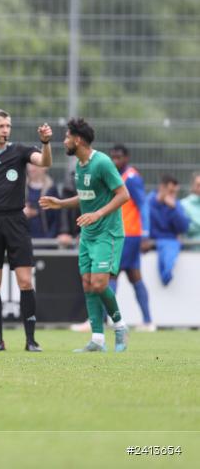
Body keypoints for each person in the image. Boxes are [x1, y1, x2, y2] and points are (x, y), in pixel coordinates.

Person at [40, 118, 130, 353]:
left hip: (107, 233)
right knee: (88, 284)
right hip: (88, 234)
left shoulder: (102, 162)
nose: (64, 141)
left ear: (77, 140)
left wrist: (97, 214)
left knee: (100, 284)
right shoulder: (79, 166)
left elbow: (123, 195)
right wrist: (61, 204)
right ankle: (97, 340)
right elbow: (86, 197)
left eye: (67, 137)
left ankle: (120, 326)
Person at [0, 109, 52, 353]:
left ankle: (31, 340)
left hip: (16, 221)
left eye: (8, 126)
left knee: (24, 280)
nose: (5, 130)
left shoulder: (19, 151)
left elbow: (45, 162)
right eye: (0, 126)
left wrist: (45, 143)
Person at [107, 144, 153, 330]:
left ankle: (104, 321)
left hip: (128, 235)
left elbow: (143, 205)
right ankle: (148, 321)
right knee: (135, 276)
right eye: (113, 157)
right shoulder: (116, 176)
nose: (115, 161)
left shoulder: (131, 178)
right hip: (125, 234)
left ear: (126, 158)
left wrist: (145, 234)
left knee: (111, 275)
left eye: (119, 157)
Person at [145, 175, 190, 287]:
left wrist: (174, 209)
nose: (173, 195)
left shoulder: (175, 204)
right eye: (171, 191)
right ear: (161, 187)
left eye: (175, 192)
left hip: (169, 242)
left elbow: (184, 227)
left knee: (171, 246)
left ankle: (166, 273)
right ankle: (166, 273)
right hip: (151, 242)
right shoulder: (148, 202)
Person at [24, 165, 60, 240]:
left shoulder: (51, 188)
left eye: (35, 164)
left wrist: (50, 239)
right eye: (29, 164)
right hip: (25, 239)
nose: (31, 168)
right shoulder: (21, 187)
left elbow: (57, 218)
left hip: (46, 239)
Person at [182, 172, 200, 250]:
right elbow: (184, 227)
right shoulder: (184, 204)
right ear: (193, 186)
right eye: (198, 185)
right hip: (192, 251)